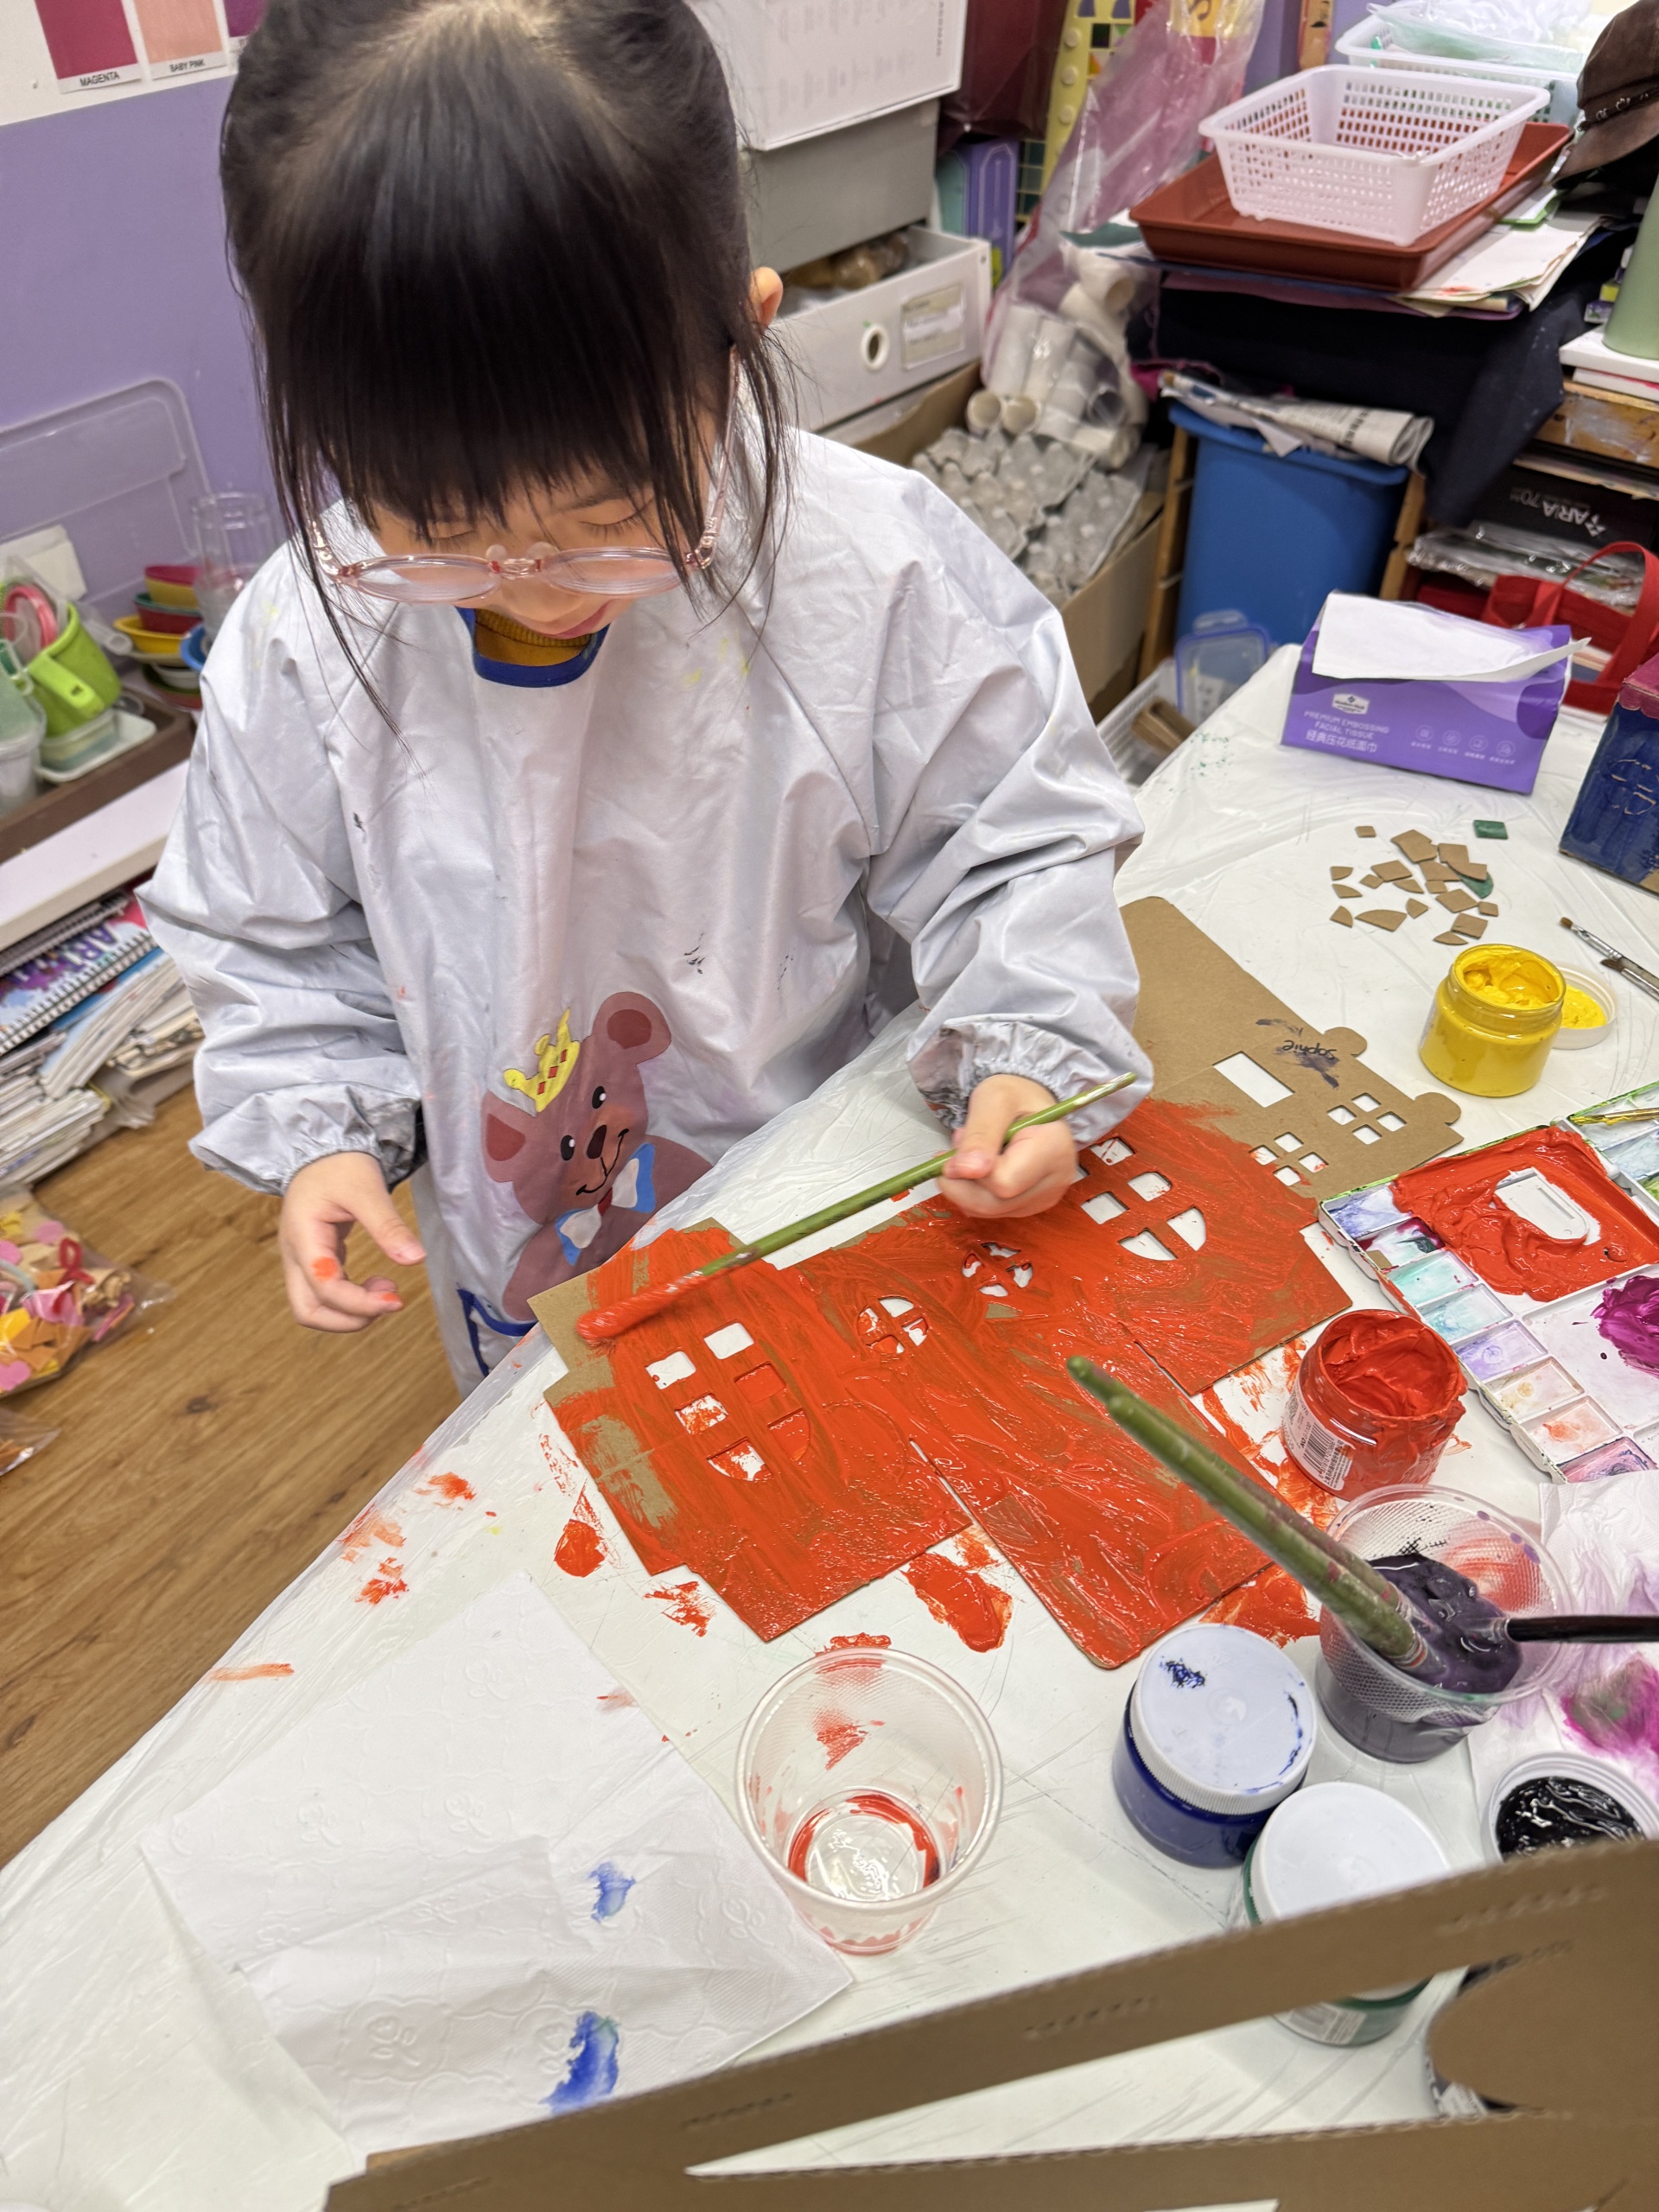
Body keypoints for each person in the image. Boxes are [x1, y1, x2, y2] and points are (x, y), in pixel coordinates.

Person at [145, 0, 1152, 1390]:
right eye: (439, 531)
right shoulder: (309, 639)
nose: (536, 583)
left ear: (742, 337)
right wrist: (319, 1125)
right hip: (517, 1237)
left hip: (817, 1192)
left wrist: (1027, 1053)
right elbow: (270, 937)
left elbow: (1019, 841)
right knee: (577, 1444)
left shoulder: (865, 569)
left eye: (607, 517)